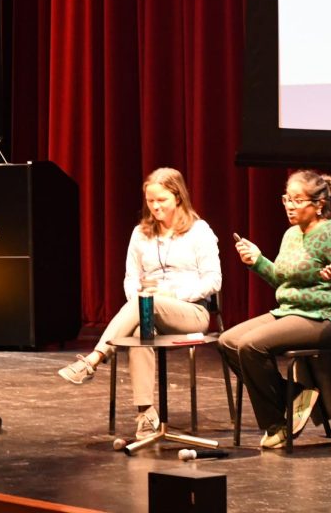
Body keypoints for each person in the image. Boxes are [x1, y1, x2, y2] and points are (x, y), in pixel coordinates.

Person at [57, 167, 221, 441]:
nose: (155, 207)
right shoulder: (140, 234)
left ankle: (94, 360)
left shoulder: (199, 231)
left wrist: (172, 295)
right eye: (150, 201)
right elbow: (131, 279)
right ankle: (146, 415)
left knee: (146, 300)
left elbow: (213, 281)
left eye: (162, 200)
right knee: (137, 328)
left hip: (191, 311)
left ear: (178, 197)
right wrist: (141, 300)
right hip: (146, 310)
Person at [218, 170, 331, 448]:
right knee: (228, 342)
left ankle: (277, 424)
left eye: (298, 200)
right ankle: (293, 394)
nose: (290, 206)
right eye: (287, 199)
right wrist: (257, 261)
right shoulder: (291, 235)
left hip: (329, 318)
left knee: (251, 345)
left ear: (319, 204)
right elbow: (281, 279)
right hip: (291, 311)